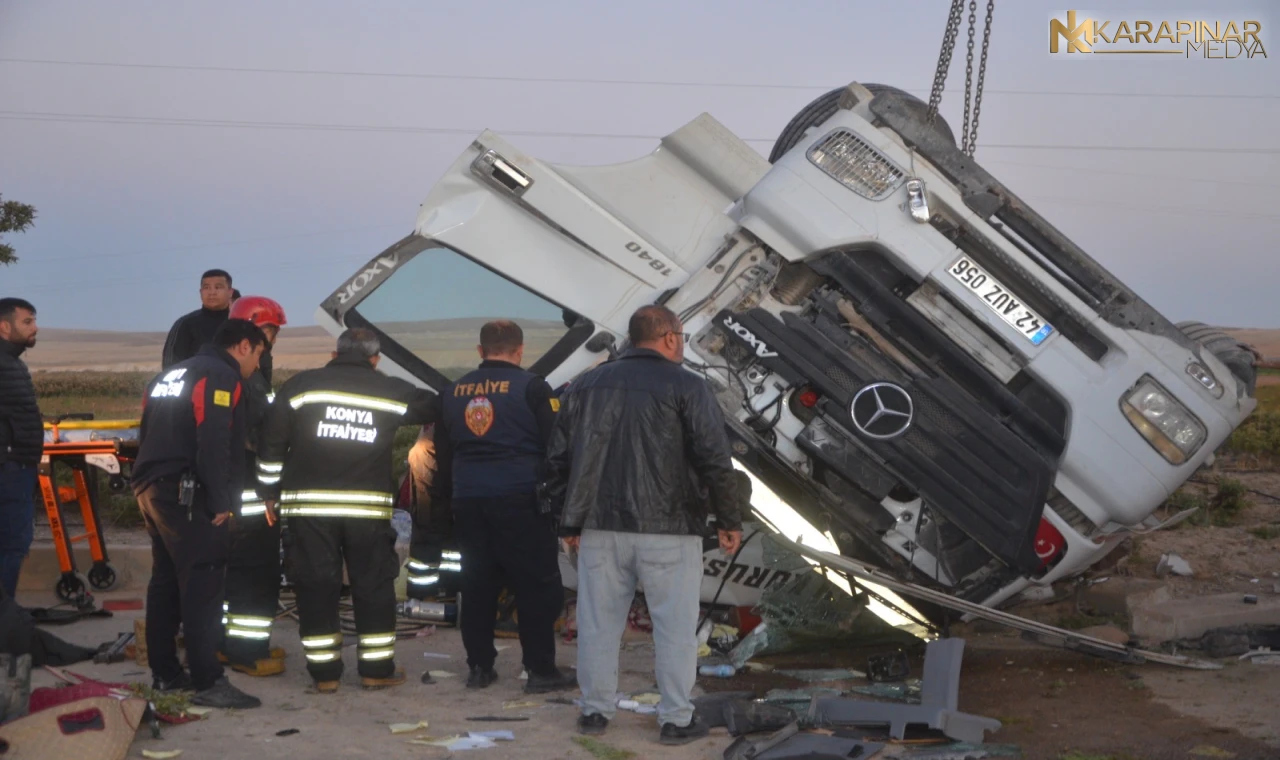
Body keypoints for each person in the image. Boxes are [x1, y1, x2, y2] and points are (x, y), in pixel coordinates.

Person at [546, 305, 742, 745]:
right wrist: (730, 519)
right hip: (670, 529)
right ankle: (674, 718)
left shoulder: (586, 385)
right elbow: (715, 459)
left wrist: (568, 521)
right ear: (670, 338)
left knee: (598, 623)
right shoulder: (689, 387)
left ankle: (595, 713)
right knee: (675, 626)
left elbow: (557, 459)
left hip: (599, 528)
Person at [256, 328, 437, 693]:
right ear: (375, 358)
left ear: (335, 353)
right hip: (366, 512)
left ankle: (324, 677)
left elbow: (271, 441)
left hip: (308, 509)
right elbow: (434, 404)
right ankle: (376, 670)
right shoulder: (389, 390)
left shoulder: (301, 386)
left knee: (316, 586)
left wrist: (268, 492)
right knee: (372, 586)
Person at [429, 320, 575, 693]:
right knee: (535, 586)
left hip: (469, 501)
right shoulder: (533, 388)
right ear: (520, 350)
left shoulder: (452, 391)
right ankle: (540, 671)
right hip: (521, 501)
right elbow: (556, 448)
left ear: (480, 351)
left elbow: (442, 457)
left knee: (477, 586)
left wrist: (447, 506)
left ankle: (479, 668)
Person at [130, 318, 268, 709]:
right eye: (258, 354)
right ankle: (209, 681)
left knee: (167, 582)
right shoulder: (220, 375)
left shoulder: (169, 375)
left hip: (152, 486)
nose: (257, 365)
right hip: (189, 494)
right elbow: (214, 439)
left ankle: (167, 674)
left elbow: (146, 430)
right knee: (204, 584)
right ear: (243, 346)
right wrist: (223, 501)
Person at [218, 296, 288, 677]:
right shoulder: (249, 379)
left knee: (231, 573)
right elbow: (264, 435)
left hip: (231, 494)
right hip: (251, 497)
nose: (272, 340)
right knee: (255, 572)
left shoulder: (230, 371)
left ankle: (227, 645)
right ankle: (246, 651)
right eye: (269, 331)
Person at [0, 298, 41, 599]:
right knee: (12, 544)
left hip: (17, 465)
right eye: (27, 322)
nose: (35, 328)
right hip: (9, 467)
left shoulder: (12, 363)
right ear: (4, 326)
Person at [162, 269, 234, 370]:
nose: (212, 292)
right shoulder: (184, 324)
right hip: (194, 384)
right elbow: (170, 365)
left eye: (218, 287)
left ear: (230, 292)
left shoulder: (239, 324)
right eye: (206, 288)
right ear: (201, 292)